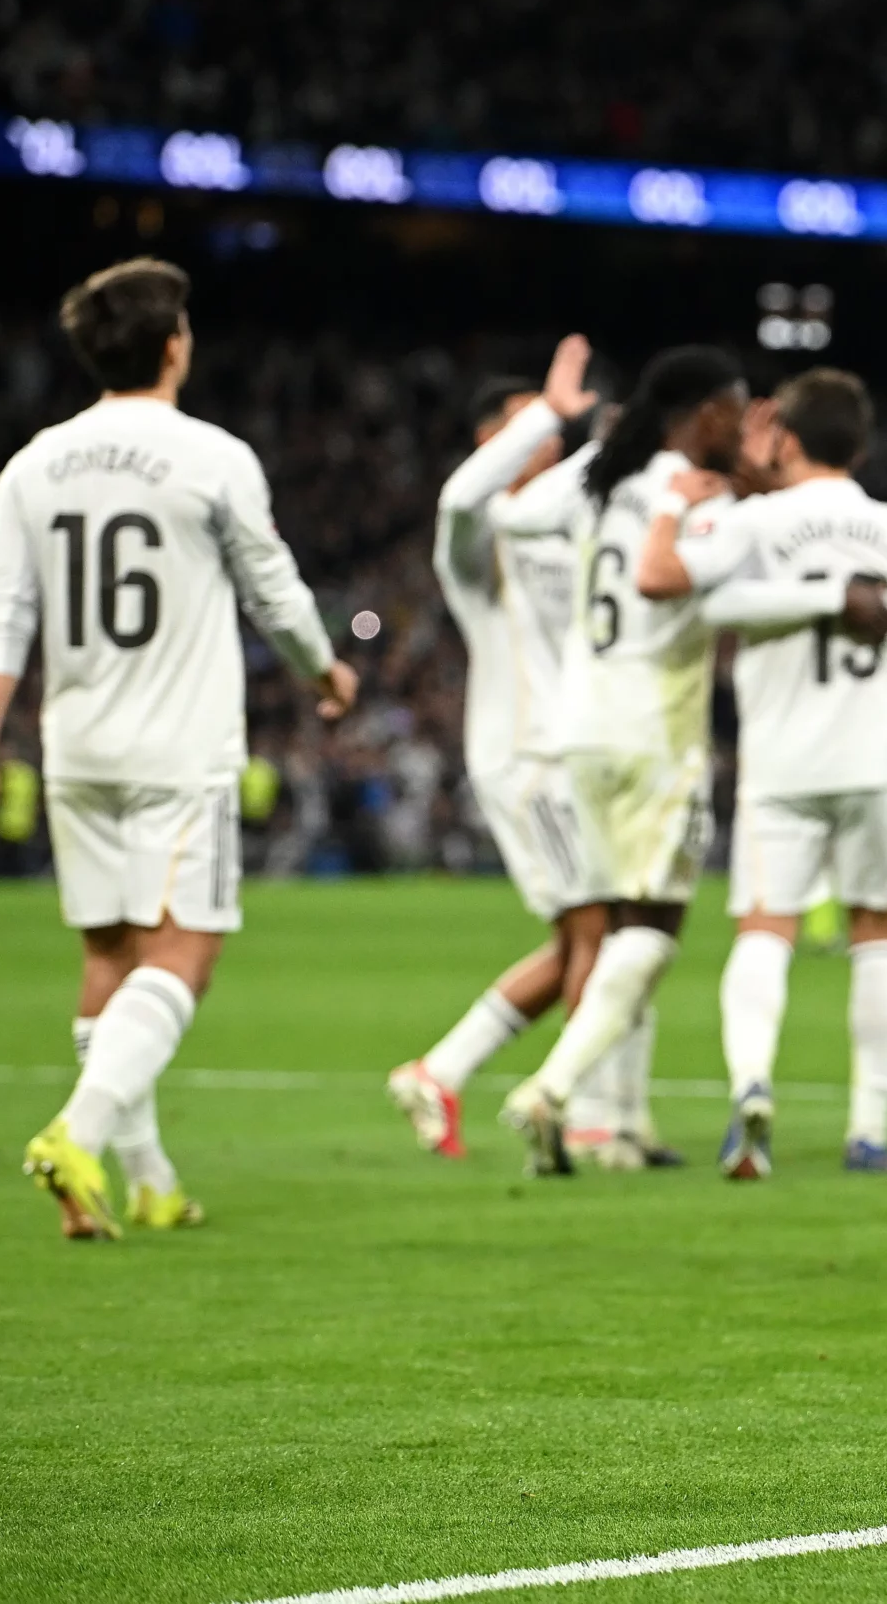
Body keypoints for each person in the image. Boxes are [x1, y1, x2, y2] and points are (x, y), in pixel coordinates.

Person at [0, 258, 357, 1237]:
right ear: (174, 345)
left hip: (76, 749)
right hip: (180, 750)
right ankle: (78, 1134)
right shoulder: (212, 457)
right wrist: (325, 671)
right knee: (183, 955)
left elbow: (3, 615)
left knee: (110, 953)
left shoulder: (32, 465)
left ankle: (146, 1180)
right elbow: (274, 591)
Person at [635, 369, 887, 1176]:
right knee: (879, 936)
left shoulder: (754, 523)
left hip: (783, 759)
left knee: (765, 931)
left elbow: (678, 587)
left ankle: (752, 1090)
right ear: (859, 446)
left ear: (783, 438)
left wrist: (714, 500)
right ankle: (869, 1132)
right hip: (879, 754)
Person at [387, 341, 666, 1164]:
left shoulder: (562, 525)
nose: (546, 441)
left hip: (577, 749)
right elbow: (459, 498)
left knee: (593, 936)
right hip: (527, 756)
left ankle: (439, 1072)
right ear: (491, 441)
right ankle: (585, 1113)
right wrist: (550, 408)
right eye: (524, 430)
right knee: (599, 932)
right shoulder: (478, 544)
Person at [488, 346, 746, 1175]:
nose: (743, 427)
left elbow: (513, 517)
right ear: (707, 414)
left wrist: (596, 460)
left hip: (580, 729)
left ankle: (620, 1123)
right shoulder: (700, 496)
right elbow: (667, 578)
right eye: (737, 410)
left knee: (620, 933)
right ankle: (555, 1090)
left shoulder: (603, 475)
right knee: (651, 931)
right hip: (655, 733)